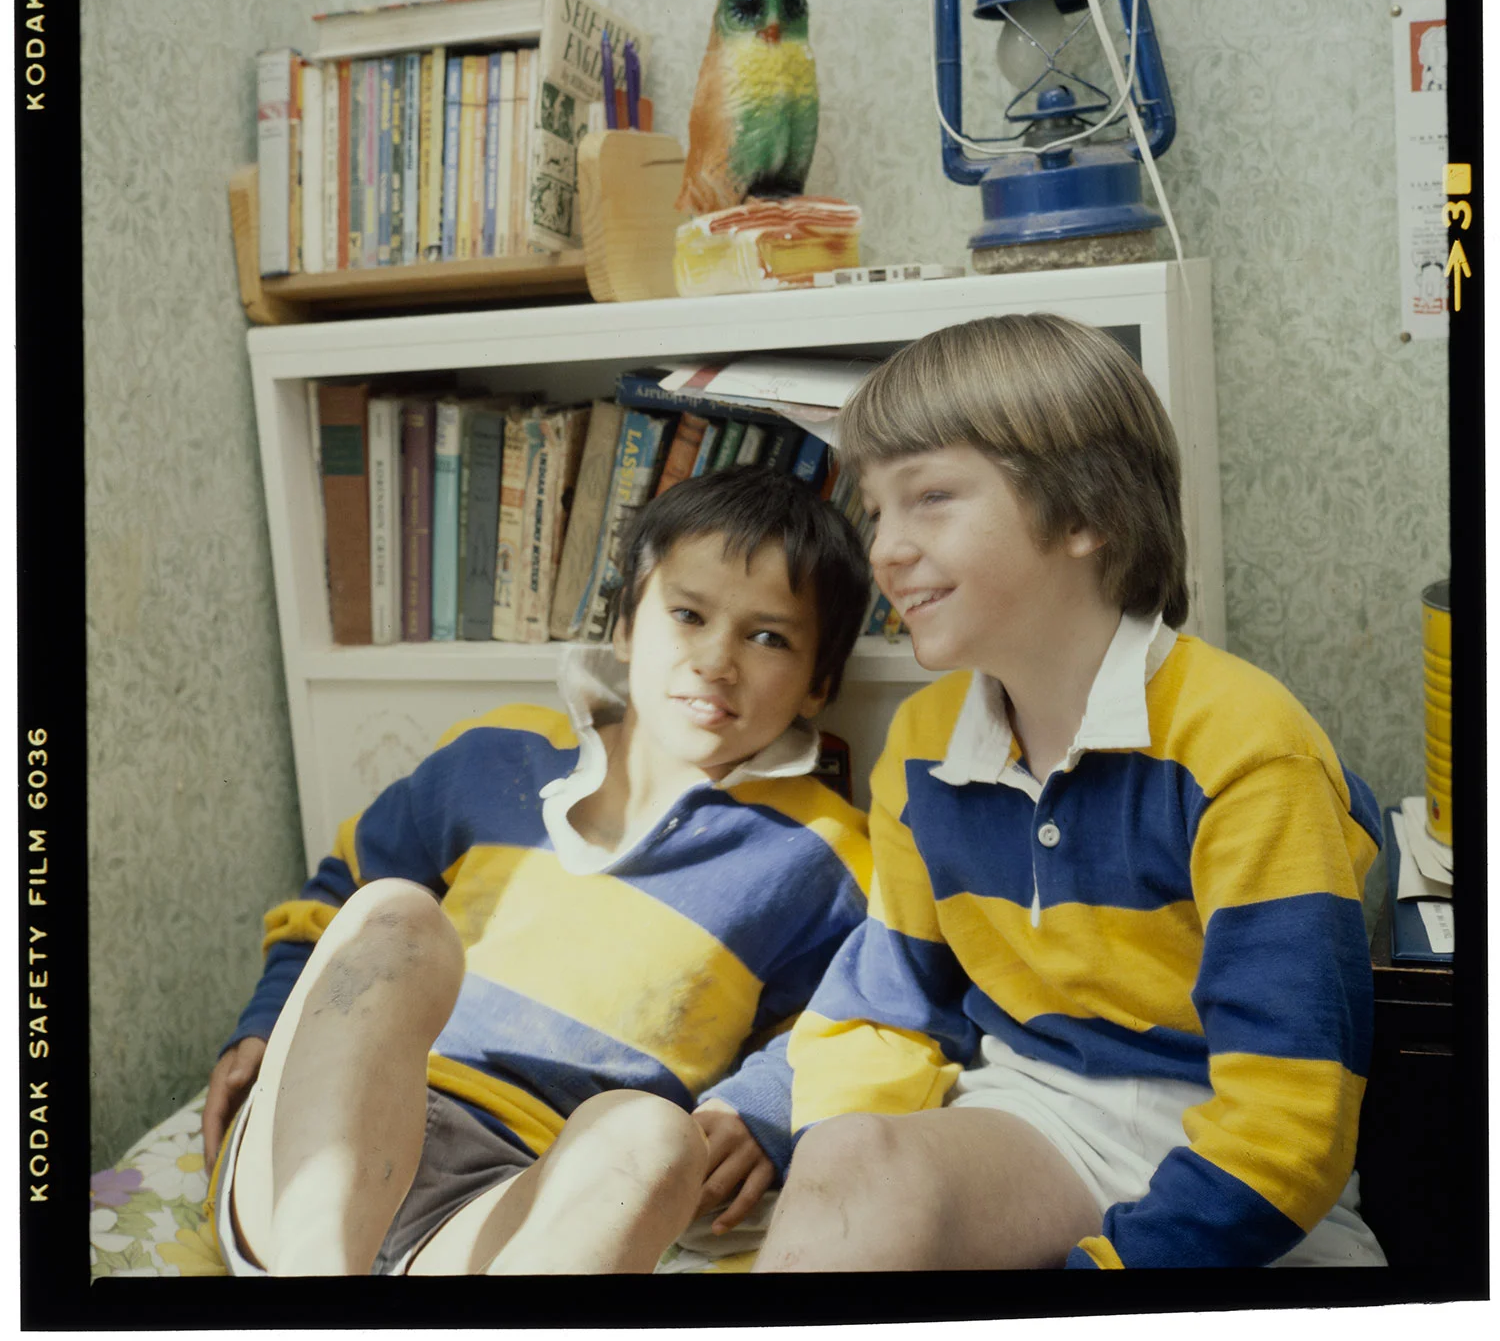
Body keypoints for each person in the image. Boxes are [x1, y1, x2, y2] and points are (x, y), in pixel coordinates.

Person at [754, 313, 1386, 1271]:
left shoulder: (1247, 748)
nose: (882, 550)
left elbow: (1290, 1121)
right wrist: (815, 1158)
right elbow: (885, 1006)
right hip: (1032, 1113)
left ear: (1087, 514)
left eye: (930, 497)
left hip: (1231, 1155)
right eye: (876, 511)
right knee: (853, 1163)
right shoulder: (920, 749)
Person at [202, 465, 872, 1276]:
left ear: (820, 683)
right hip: (316, 1161)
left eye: (768, 638)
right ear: (625, 628)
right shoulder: (496, 754)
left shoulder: (823, 856)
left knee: (655, 1134)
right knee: (396, 914)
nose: (716, 660)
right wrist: (267, 1018)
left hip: (508, 1203)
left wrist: (762, 1105)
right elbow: (338, 901)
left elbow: (861, 1020)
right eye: (687, 614)